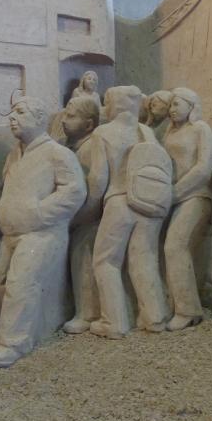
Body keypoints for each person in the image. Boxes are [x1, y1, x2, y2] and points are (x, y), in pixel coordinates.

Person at [0, 97, 86, 367]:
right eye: (12, 112)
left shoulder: (57, 153)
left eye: (20, 112)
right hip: (11, 233)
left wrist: (39, 212)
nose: (12, 117)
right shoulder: (14, 155)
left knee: (22, 279)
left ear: (40, 119)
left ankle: (12, 342)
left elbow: (74, 192)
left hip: (43, 233)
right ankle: (12, 327)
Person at [88, 86, 171, 339]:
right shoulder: (147, 132)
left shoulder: (103, 132)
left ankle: (114, 322)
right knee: (144, 259)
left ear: (114, 104)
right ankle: (154, 317)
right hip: (148, 203)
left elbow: (98, 178)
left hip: (119, 202)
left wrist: (90, 205)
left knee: (106, 261)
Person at [163, 88, 212, 331]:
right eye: (170, 105)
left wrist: (175, 192)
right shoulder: (170, 131)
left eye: (177, 104)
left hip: (195, 195)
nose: (172, 109)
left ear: (191, 105)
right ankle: (172, 303)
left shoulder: (201, 129)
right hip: (171, 198)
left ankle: (188, 310)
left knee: (175, 246)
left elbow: (203, 169)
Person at [59, 97, 102, 334]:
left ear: (88, 124)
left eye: (71, 116)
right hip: (75, 218)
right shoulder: (72, 146)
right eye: (65, 115)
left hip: (89, 219)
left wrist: (80, 218)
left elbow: (96, 188)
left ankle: (88, 313)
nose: (64, 120)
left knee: (83, 259)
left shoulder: (91, 147)